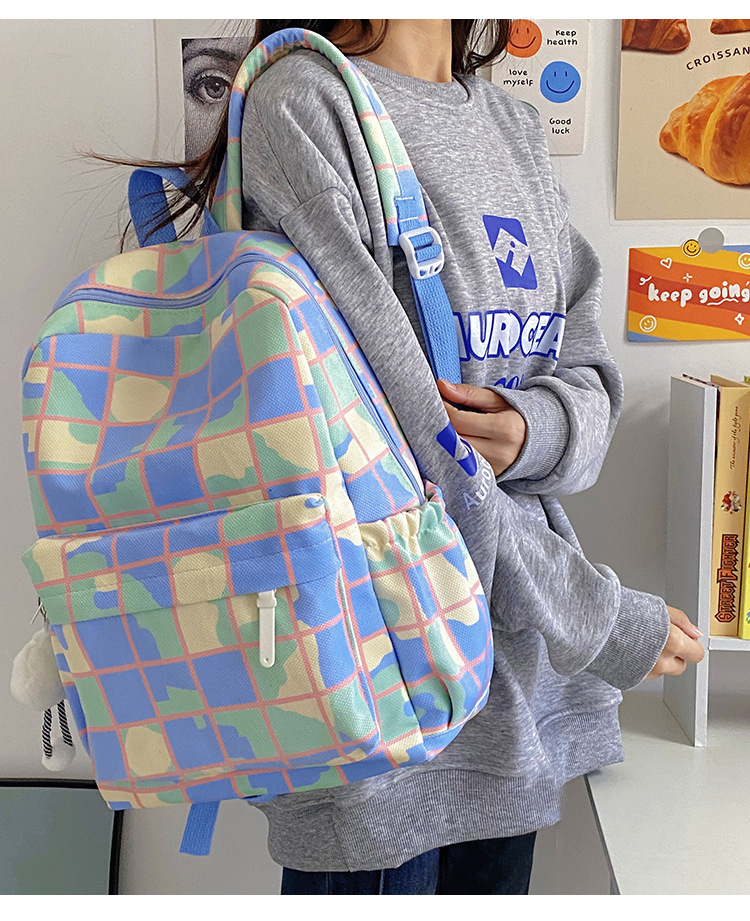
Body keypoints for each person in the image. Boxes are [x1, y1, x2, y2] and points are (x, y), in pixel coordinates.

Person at [136, 18, 705, 895]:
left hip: (515, 695)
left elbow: (592, 383)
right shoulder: (307, 106)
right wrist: (598, 617)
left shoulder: (512, 127)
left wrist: (535, 428)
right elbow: (399, 461)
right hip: (380, 711)